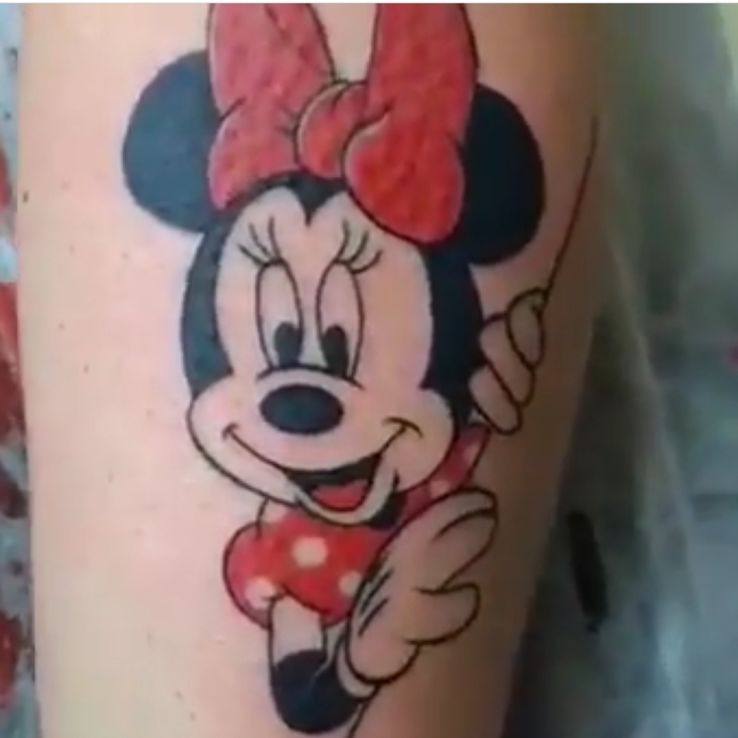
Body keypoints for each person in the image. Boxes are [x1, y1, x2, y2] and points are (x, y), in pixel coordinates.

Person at [19, 5, 599, 737]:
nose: (300, 403)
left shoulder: (464, 417)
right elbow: (303, 695)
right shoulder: (290, 561)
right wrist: (360, 658)